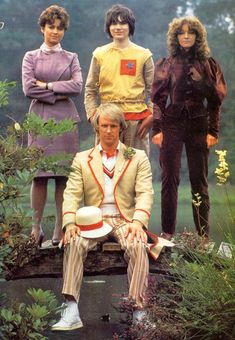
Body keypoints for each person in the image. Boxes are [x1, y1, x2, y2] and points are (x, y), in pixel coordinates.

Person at [51, 103, 154, 331]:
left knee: (138, 244)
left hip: (124, 219)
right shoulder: (82, 159)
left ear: (120, 128)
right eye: (104, 125)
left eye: (113, 126)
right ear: (97, 128)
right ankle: (71, 309)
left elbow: (145, 192)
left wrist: (138, 222)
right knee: (74, 241)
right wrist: (69, 223)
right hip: (93, 222)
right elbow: (71, 193)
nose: (108, 130)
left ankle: (139, 311)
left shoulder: (137, 157)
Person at [151, 16, 227, 240]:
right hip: (171, 123)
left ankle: (203, 235)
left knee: (199, 180)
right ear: (175, 37)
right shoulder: (167, 63)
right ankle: (167, 233)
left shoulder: (208, 64)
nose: (185, 36)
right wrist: (157, 129)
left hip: (199, 124)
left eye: (190, 32)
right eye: (181, 33)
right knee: (169, 179)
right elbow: (157, 101)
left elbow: (215, 101)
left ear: (197, 36)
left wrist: (213, 131)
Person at [22, 5, 83, 246]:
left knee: (62, 178)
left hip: (66, 121)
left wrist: (46, 87)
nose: (55, 32)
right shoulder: (31, 57)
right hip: (39, 119)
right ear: (42, 28)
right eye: (51, 27)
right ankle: (35, 228)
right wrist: (60, 91)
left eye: (59, 28)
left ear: (64, 31)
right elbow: (28, 88)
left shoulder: (72, 57)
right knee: (39, 177)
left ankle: (61, 227)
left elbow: (77, 87)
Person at [84, 4, 154, 156]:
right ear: (108, 27)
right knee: (106, 168)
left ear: (130, 26)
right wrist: (93, 116)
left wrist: (152, 115)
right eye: (114, 23)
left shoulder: (143, 55)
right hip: (107, 119)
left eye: (123, 23)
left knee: (136, 167)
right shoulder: (99, 54)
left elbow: (154, 90)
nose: (118, 27)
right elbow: (90, 89)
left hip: (137, 121)